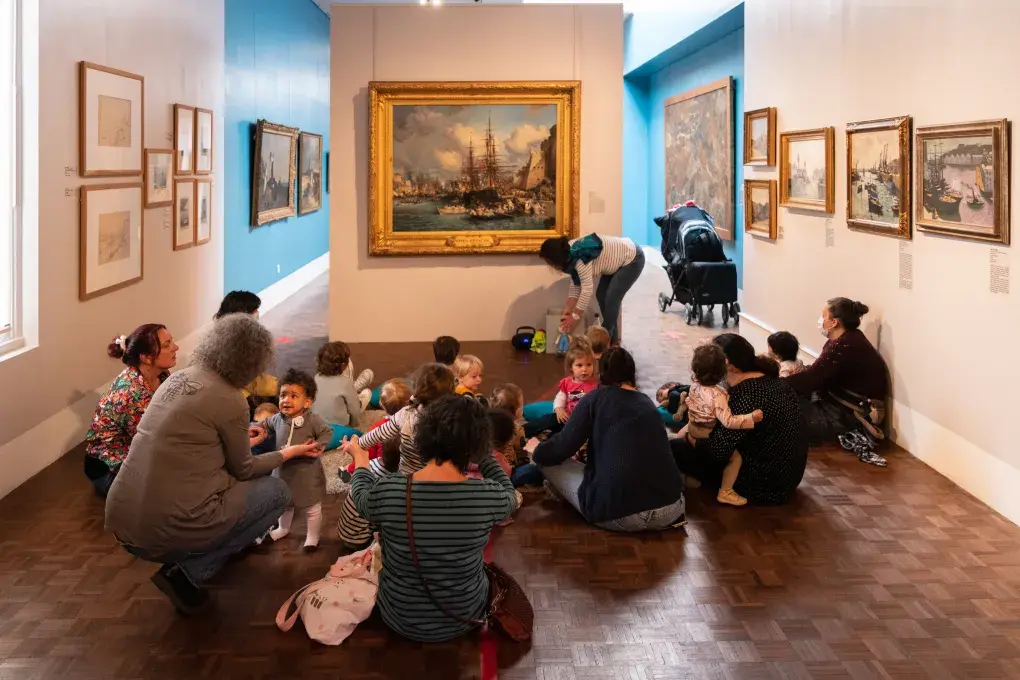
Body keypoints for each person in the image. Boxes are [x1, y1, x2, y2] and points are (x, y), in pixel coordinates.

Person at [104, 314, 324, 615]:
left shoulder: (177, 378)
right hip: (160, 532)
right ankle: (188, 572)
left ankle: (206, 550)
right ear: (252, 360)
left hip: (121, 517)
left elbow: (191, 442)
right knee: (277, 492)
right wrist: (289, 453)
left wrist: (238, 439)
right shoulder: (230, 398)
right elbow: (244, 469)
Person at [344, 395, 517, 642]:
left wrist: (361, 461)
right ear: (478, 444)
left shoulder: (389, 489)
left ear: (422, 435)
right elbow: (510, 494)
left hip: (398, 615)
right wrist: (483, 453)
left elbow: (361, 499)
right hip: (464, 616)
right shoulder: (488, 496)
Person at [526, 347, 686, 532]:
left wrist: (536, 449)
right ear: (632, 373)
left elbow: (562, 447)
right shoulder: (646, 402)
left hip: (621, 514)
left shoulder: (594, 399)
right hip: (671, 509)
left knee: (546, 459)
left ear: (601, 374)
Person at [670, 334, 808, 506]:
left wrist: (690, 437)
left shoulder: (745, 394)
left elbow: (718, 450)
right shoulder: (772, 381)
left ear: (726, 363)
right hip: (787, 478)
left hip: (761, 485)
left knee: (676, 446)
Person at [784, 298, 889, 465]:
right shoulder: (848, 339)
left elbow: (812, 379)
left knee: (783, 404)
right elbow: (819, 374)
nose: (820, 320)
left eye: (823, 315)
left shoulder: (844, 346)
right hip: (844, 408)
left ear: (834, 322)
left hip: (848, 418)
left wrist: (772, 384)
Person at [84, 325, 178, 497]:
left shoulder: (161, 375)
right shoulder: (132, 393)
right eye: (167, 344)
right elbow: (154, 441)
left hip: (137, 451)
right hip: (108, 467)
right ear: (146, 357)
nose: (176, 347)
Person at [675, 344, 763, 507]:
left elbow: (690, 402)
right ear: (723, 370)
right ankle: (726, 491)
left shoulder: (694, 386)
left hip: (693, 428)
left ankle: (692, 478)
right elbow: (728, 421)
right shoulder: (719, 395)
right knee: (735, 458)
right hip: (705, 433)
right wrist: (751, 417)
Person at [258, 369, 333, 551]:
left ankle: (312, 537)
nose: (286, 400)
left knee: (311, 508)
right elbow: (263, 425)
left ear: (307, 402)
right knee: (285, 504)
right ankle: (283, 528)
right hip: (283, 472)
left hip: (306, 473)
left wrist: (319, 445)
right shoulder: (277, 419)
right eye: (283, 395)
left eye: (293, 396)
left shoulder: (313, 420)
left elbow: (327, 432)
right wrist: (256, 429)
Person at [539, 233, 645, 344]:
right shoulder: (569, 254)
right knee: (601, 295)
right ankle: (613, 343)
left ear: (556, 258)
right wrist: (568, 308)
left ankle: (603, 342)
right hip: (617, 262)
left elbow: (587, 289)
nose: (550, 266)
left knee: (611, 298)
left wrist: (574, 316)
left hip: (633, 258)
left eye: (550, 263)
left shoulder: (579, 257)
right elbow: (576, 284)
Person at [214, 291, 279, 414]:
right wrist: (278, 386)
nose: (257, 314)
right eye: (254, 310)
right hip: (236, 399)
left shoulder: (218, 335)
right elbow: (246, 379)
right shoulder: (236, 342)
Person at [524, 340, 599, 438]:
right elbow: (560, 398)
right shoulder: (567, 382)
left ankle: (551, 441)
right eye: (579, 365)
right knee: (547, 419)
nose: (584, 369)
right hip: (565, 418)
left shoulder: (595, 385)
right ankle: (521, 431)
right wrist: (559, 409)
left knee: (557, 437)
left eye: (589, 365)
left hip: (582, 425)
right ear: (571, 367)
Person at [312, 341, 371, 430]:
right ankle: (357, 395)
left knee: (341, 396)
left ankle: (354, 391)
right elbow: (354, 411)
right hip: (339, 428)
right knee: (362, 398)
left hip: (317, 426)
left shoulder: (316, 378)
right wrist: (354, 424)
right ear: (343, 365)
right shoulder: (346, 382)